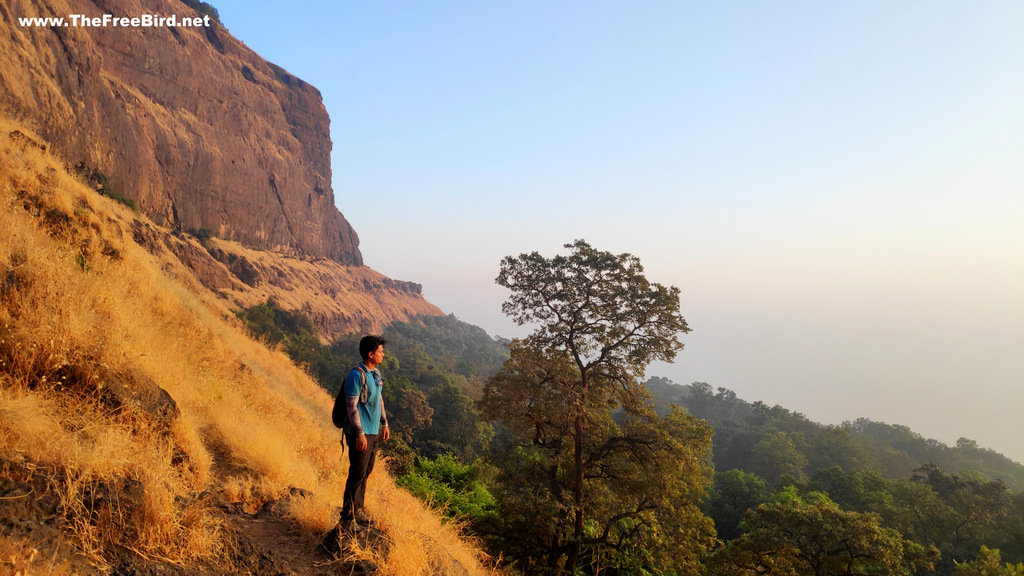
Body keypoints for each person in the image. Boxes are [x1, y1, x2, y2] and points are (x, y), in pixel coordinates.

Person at [340, 335, 390, 529]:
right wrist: (359, 433)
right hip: (360, 432)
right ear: (371, 354)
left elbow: (379, 400)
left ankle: (358, 509)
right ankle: (347, 513)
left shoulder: (375, 374)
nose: (383, 355)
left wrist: (384, 424)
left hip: (373, 431)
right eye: (380, 352)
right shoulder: (356, 375)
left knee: (365, 472)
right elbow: (351, 406)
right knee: (357, 472)